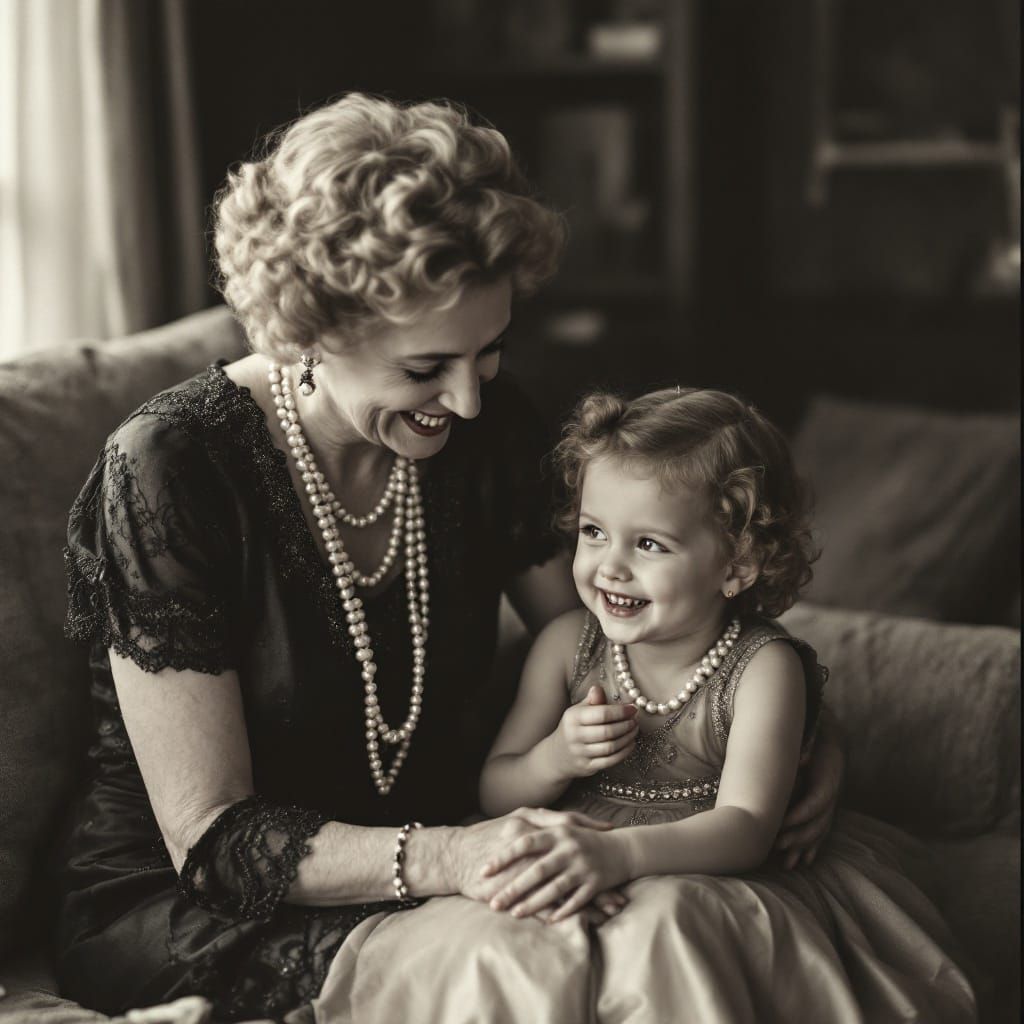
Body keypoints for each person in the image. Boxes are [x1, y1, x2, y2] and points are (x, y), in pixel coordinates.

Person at [56, 94, 841, 1023]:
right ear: (308, 330)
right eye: (426, 369)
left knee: (654, 930)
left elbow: (606, 645)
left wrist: (798, 729)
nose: (468, 403)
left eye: (491, 351)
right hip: (207, 910)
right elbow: (215, 837)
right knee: (539, 967)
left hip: (457, 838)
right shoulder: (171, 469)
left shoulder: (482, 433)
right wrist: (453, 858)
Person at [313, 388, 976, 1024]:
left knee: (669, 939)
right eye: (594, 532)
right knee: (503, 948)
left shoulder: (763, 668)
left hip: (704, 868)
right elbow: (496, 788)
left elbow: (746, 826)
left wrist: (623, 857)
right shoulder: (566, 645)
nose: (610, 566)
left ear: (738, 564)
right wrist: (554, 758)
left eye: (650, 544)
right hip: (578, 850)